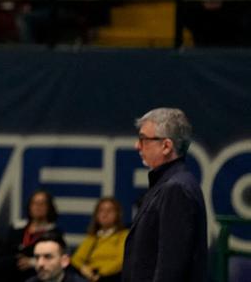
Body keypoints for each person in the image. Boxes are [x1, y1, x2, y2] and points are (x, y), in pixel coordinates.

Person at [122, 108, 207, 282]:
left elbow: (171, 266)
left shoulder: (176, 188)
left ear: (166, 146)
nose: (137, 145)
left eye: (143, 139)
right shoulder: (170, 183)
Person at [0, 189, 61, 281]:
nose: (38, 207)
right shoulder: (17, 227)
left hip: (32, 273)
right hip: (7, 270)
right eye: (34, 203)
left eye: (42, 204)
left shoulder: (54, 233)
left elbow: (56, 259)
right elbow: (3, 248)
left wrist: (32, 262)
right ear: (29, 206)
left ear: (49, 207)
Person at [71, 198, 127, 282]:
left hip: (112, 277)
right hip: (90, 276)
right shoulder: (92, 237)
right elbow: (76, 259)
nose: (105, 214)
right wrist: (84, 268)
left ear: (117, 214)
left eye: (109, 210)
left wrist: (100, 274)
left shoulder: (124, 235)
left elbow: (121, 261)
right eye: (101, 210)